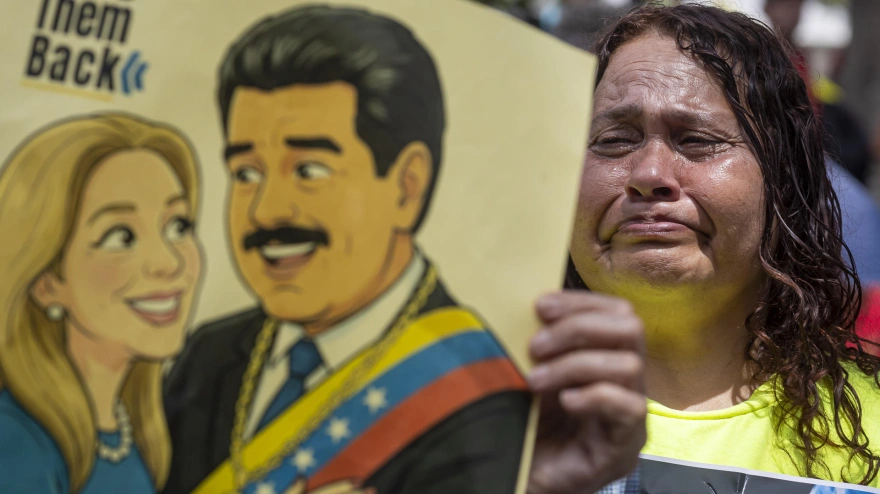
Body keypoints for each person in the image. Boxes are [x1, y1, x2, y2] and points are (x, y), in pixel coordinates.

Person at [162, 5, 646, 494]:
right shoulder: (205, 355)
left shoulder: (498, 396)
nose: (266, 211)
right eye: (246, 173)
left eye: (309, 170)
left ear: (405, 184)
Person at [559, 3, 880, 490]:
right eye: (615, 139)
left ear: (784, 185)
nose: (649, 175)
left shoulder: (870, 428)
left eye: (696, 140)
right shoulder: (459, 412)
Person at [0, 113, 204, 493]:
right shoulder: (19, 442)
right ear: (46, 284)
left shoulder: (129, 428)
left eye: (179, 227)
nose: (170, 262)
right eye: (121, 236)